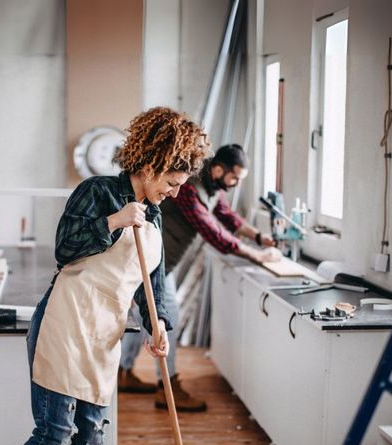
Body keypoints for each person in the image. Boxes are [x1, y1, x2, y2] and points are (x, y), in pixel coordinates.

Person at [6, 107, 209, 445]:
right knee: (54, 433)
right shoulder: (96, 191)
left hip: (103, 336)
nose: (176, 192)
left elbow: (153, 283)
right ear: (149, 168)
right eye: (172, 182)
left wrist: (157, 323)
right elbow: (65, 248)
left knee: (91, 439)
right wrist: (115, 220)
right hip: (65, 325)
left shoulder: (156, 216)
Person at [118, 144, 281, 412]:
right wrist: (258, 256)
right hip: (152, 261)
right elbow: (212, 231)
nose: (236, 183)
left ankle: (124, 373)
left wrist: (260, 238)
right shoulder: (190, 187)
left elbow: (227, 217)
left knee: (144, 318)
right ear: (218, 169)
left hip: (160, 263)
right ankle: (167, 389)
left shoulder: (212, 188)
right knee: (168, 319)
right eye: (234, 178)